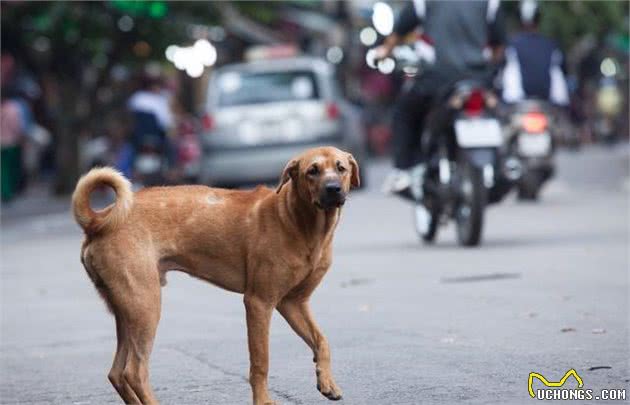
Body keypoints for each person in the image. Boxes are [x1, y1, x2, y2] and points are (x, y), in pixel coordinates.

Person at [375, 0, 506, 196]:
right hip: (478, 79)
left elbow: (399, 31)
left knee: (403, 112)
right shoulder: (490, 3)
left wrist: (383, 52)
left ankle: (402, 170)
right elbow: (499, 45)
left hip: (437, 79)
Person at [501, 0, 569, 107]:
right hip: (549, 104)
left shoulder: (512, 45)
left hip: (516, 103)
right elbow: (564, 72)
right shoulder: (551, 45)